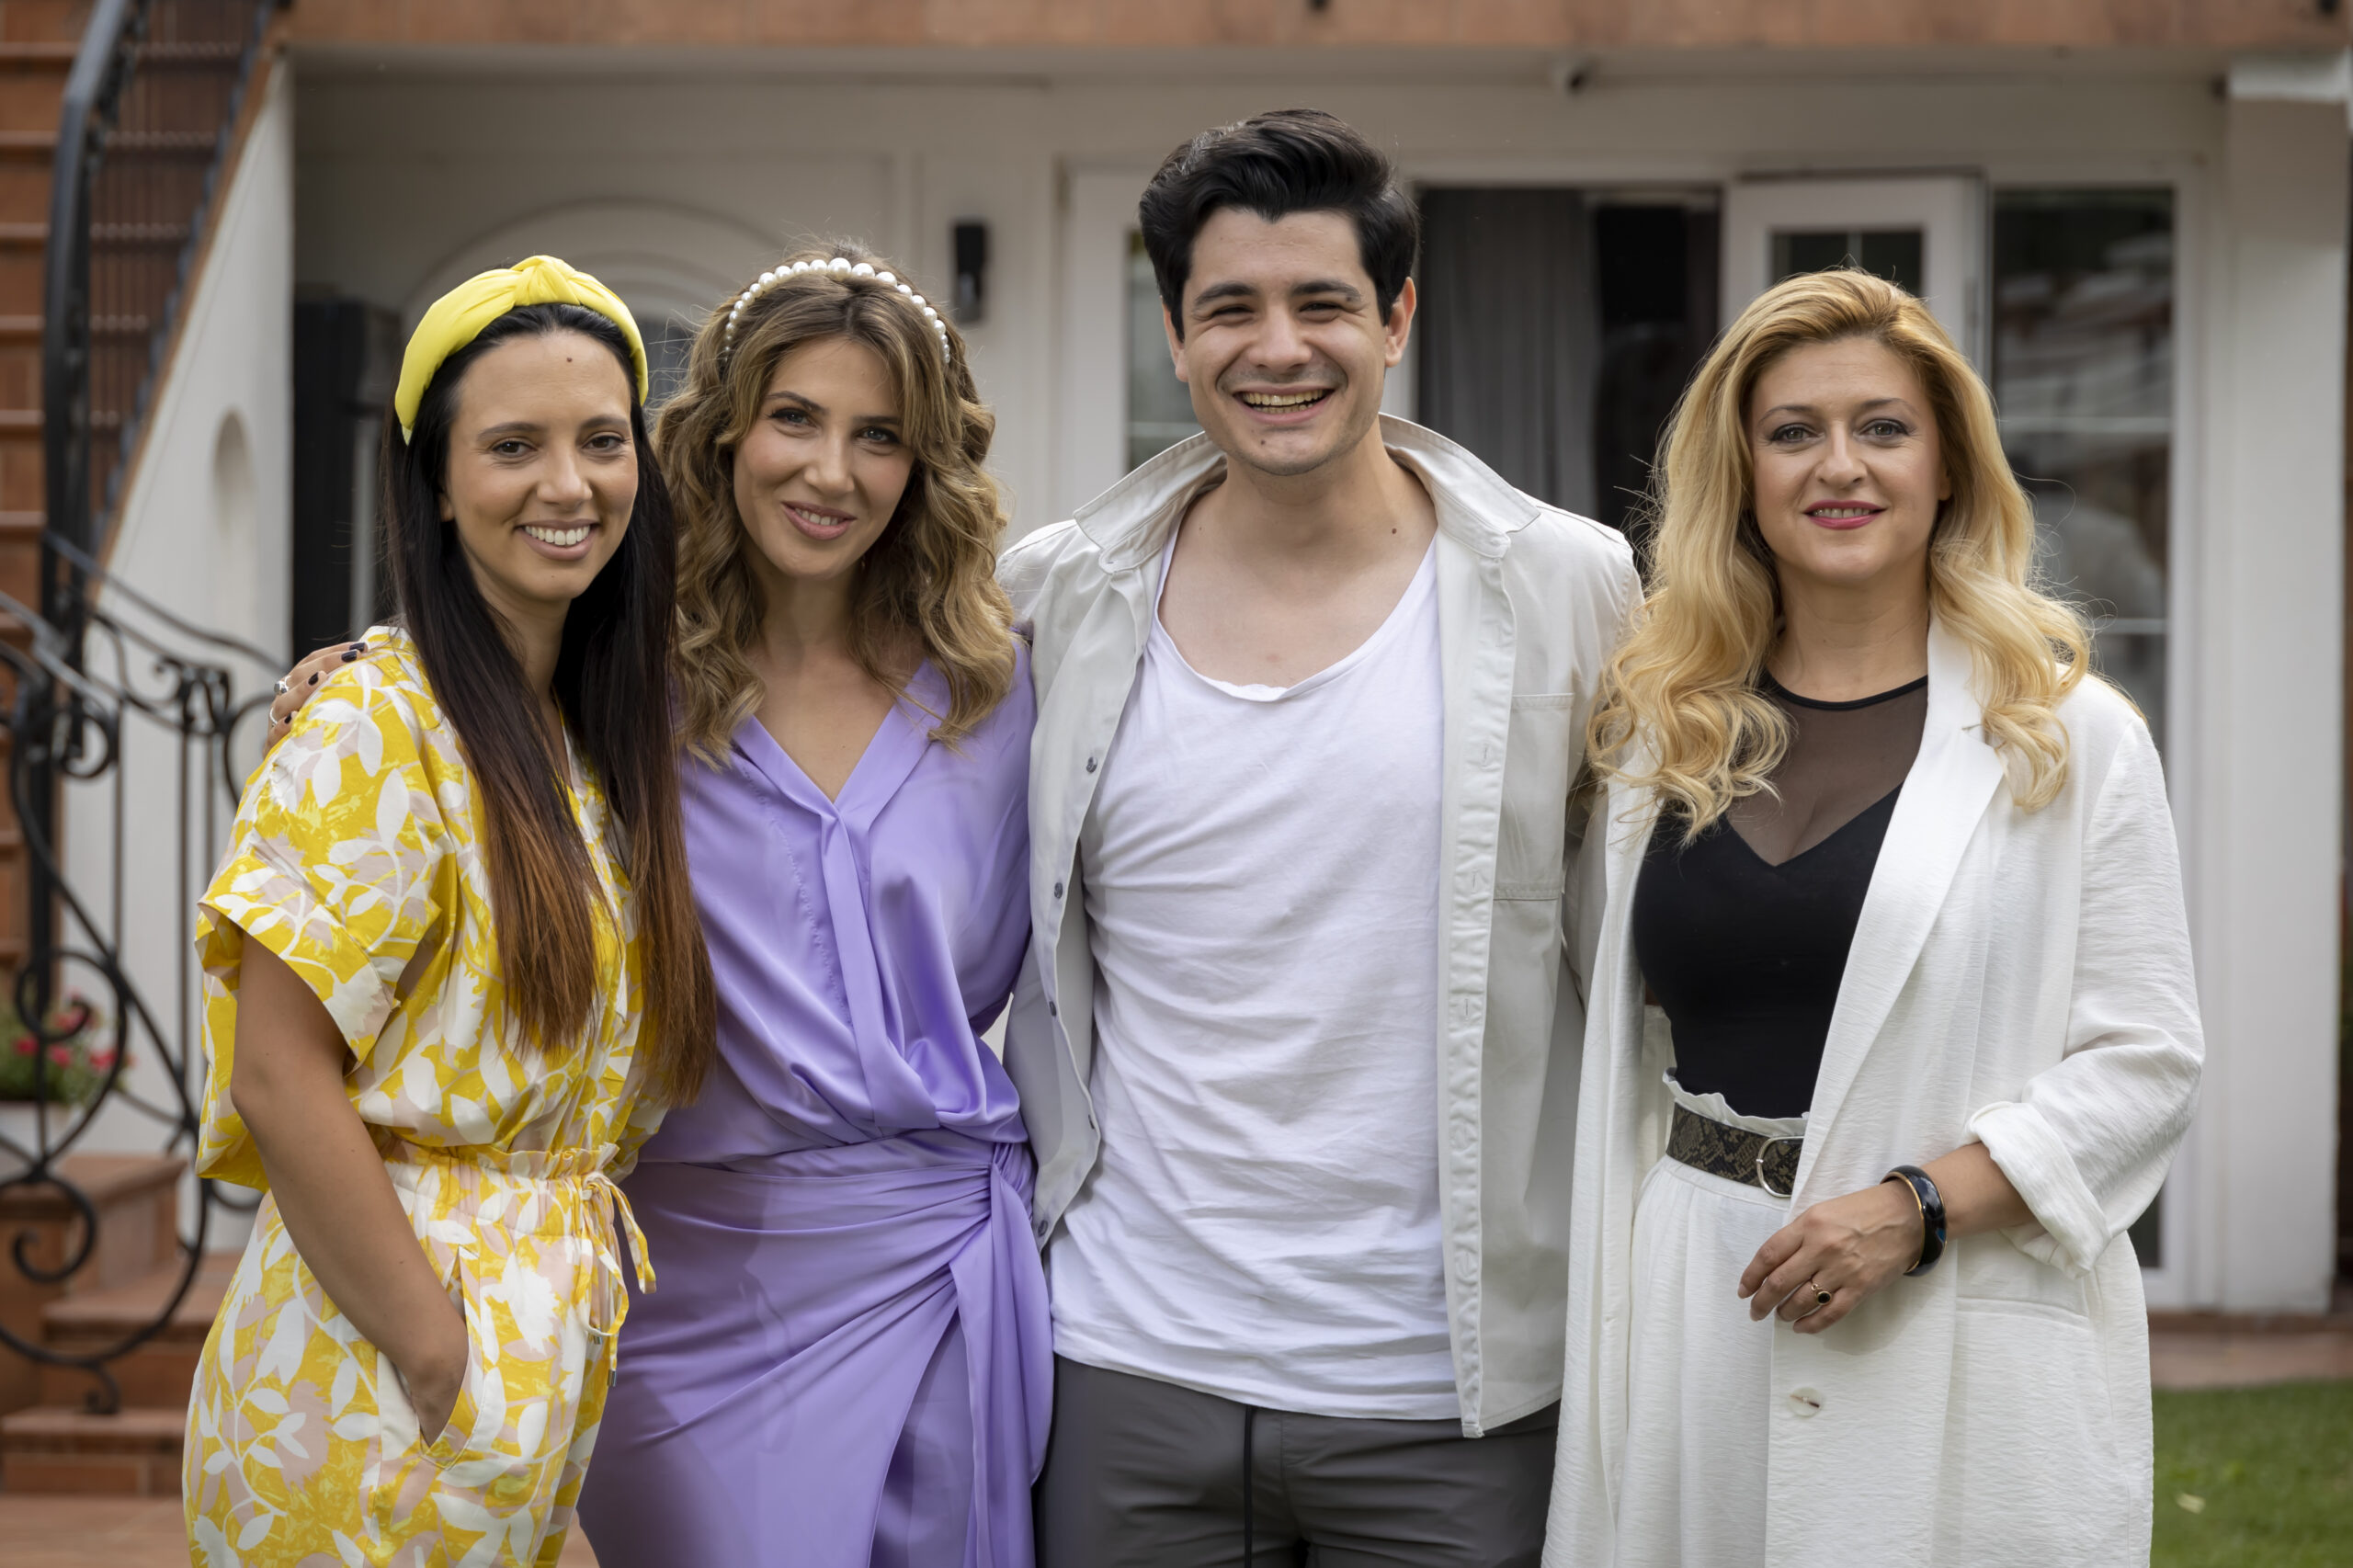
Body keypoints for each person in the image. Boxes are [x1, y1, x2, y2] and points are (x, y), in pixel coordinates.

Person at [276, 245, 1048, 1564]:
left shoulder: (1006, 688)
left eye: (880, 435)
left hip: (939, 1270)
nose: (831, 471)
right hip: (692, 1283)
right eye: (795, 418)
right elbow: (458, 677)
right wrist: (357, 665)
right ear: (725, 428)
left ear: (927, 461)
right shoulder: (614, 678)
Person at [1004, 109, 1640, 1564]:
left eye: (1323, 304)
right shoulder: (1057, 597)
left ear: (1397, 318)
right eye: (1230, 307)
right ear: (1175, 334)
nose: (1277, 348)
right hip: (1127, 1360)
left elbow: (1643, 939)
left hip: (1446, 1389)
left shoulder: (1567, 587)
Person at [1543, 269, 2202, 1567]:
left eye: (1883, 428)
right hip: (1698, 1292)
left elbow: (2147, 1064)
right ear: (1742, 471)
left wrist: (1918, 1205)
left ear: (1947, 465)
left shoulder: (2068, 739)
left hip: (1951, 1312)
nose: (1839, 465)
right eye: (1793, 430)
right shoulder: (1656, 736)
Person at [183, 257, 714, 1567]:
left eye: (602, 442)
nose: (567, 485)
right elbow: (278, 1073)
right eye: (513, 446)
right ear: (434, 480)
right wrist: (437, 1353)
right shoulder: (378, 722)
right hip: (377, 1366)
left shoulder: (587, 738)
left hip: (521, 1359)